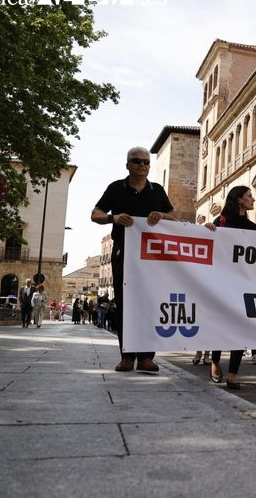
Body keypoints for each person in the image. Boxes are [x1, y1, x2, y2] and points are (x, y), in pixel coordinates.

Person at [91, 146, 177, 373]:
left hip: (152, 257)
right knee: (125, 306)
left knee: (149, 305)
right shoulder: (115, 188)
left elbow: (174, 217)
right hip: (123, 253)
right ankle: (127, 357)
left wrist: (162, 215)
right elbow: (95, 214)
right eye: (137, 161)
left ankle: (147, 357)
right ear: (128, 165)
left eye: (146, 162)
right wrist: (113, 218)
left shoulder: (157, 190)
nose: (142, 165)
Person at [205, 185, 256, 389]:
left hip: (243, 283)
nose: (253, 199)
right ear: (239, 200)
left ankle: (233, 373)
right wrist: (207, 231)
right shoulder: (221, 222)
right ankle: (215, 362)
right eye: (249, 196)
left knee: (240, 328)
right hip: (222, 282)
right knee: (220, 325)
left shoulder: (252, 228)